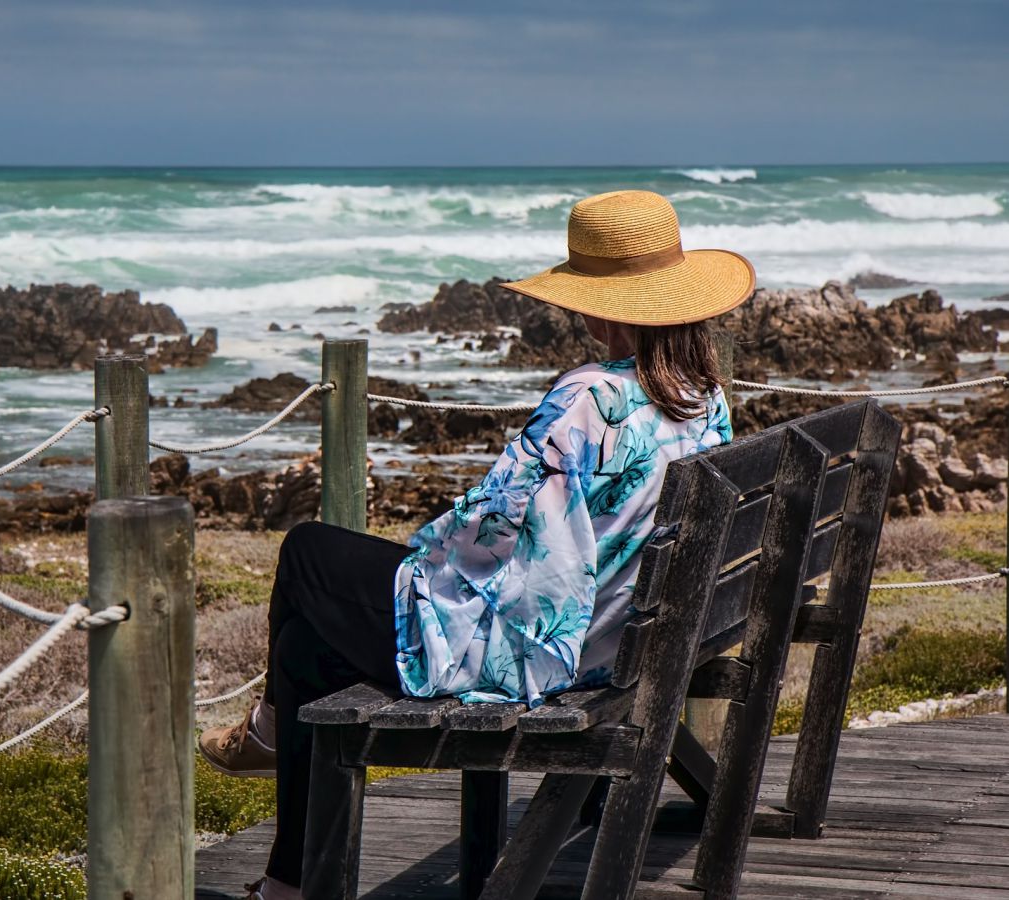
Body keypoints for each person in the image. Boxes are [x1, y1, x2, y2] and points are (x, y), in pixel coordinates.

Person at [198, 189, 755, 900]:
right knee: (306, 654)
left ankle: (268, 732)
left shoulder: (586, 399)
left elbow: (491, 530)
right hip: (631, 638)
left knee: (308, 550)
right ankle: (286, 882)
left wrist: (424, 557)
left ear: (594, 303)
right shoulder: (704, 396)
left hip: (551, 653)